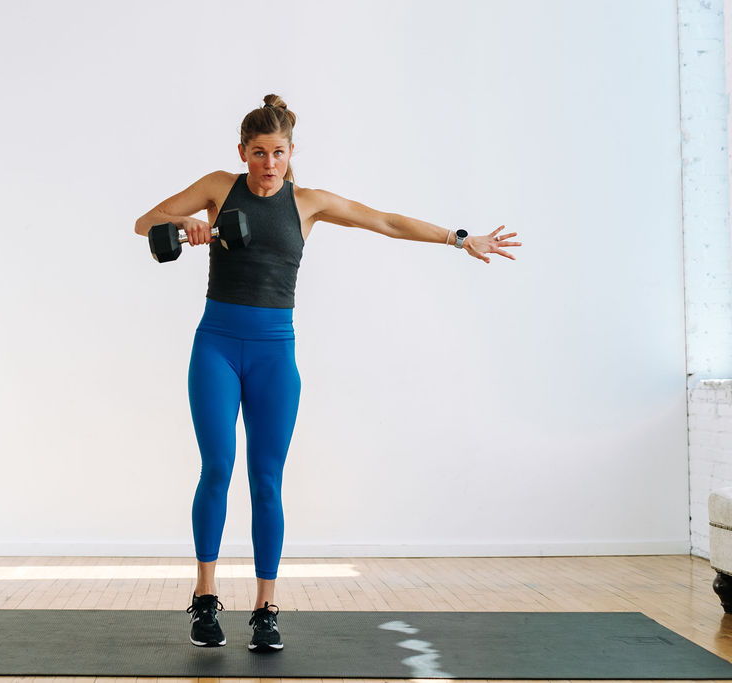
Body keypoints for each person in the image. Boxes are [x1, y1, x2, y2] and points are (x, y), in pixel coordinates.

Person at [133, 94, 521, 653]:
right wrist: (188, 222)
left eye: (279, 153)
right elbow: (145, 222)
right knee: (217, 468)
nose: (269, 164)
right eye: (259, 152)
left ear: (292, 154)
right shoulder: (219, 186)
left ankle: (266, 608)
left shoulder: (308, 203)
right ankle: (205, 598)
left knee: (267, 480)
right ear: (242, 152)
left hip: (274, 354)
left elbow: (383, 220)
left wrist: (460, 239)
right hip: (216, 345)